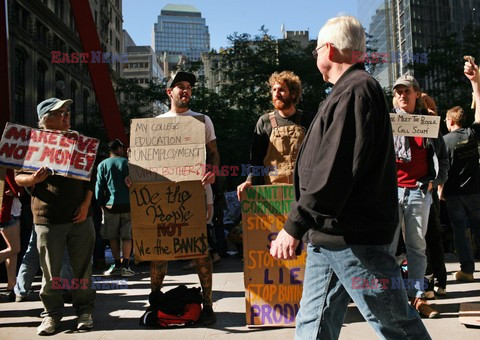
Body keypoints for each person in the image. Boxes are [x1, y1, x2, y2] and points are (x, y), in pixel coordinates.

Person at [270, 16, 430, 339]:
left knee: (397, 326)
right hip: (329, 235)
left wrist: (295, 224)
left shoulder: (357, 91)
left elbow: (335, 169)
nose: (315, 57)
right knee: (312, 326)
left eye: (316, 50)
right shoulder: (348, 92)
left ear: (328, 50)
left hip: (354, 240)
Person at [15, 98, 96, 335]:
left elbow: (90, 176)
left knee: (83, 270)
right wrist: (34, 179)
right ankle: (51, 315)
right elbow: (20, 176)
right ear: (45, 119)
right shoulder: (33, 144)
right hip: (48, 218)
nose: (66, 115)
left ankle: (85, 311)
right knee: (51, 272)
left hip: (81, 217)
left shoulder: (78, 140)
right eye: (59, 112)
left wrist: (85, 204)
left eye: (67, 111)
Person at [151, 71, 220, 325]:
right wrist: (135, 178)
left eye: (189, 86)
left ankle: (209, 304)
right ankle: (154, 300)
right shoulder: (156, 123)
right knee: (159, 252)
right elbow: (147, 162)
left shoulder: (202, 120)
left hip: (198, 196)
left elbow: (213, 153)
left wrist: (212, 172)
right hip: (164, 198)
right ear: (169, 93)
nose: (185, 90)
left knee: (201, 251)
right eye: (180, 86)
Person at [390, 74, 449, 317]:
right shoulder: (387, 123)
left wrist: (436, 181)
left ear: (416, 94)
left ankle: (416, 298)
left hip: (418, 191)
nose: (402, 95)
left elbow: (442, 158)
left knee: (416, 247)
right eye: (398, 92)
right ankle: (392, 299)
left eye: (407, 91)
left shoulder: (428, 124)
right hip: (390, 192)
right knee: (388, 247)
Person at [237, 71, 314, 199]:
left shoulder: (309, 119)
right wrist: (250, 180)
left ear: (293, 94)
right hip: (273, 192)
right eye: (274, 90)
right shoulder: (265, 121)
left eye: (282, 90)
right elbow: (256, 158)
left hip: (303, 192)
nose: (277, 94)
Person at [441, 58, 480, 282]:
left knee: (460, 233)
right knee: (478, 229)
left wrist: (440, 193)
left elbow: (443, 169)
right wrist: (475, 85)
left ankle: (467, 270)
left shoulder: (444, 142)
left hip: (454, 195)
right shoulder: (472, 135)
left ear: (450, 120)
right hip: (475, 191)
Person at [95, 139, 134, 277]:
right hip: (128, 205)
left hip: (110, 206)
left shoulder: (102, 165)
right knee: (127, 236)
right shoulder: (128, 163)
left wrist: (100, 204)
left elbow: (98, 187)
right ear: (118, 149)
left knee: (112, 237)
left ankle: (117, 264)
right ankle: (126, 266)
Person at [0, 169, 22, 301]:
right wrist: (16, 191)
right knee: (14, 248)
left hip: (9, 210)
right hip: (7, 211)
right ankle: (11, 285)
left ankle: (11, 285)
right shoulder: (5, 164)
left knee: (13, 251)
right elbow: (14, 188)